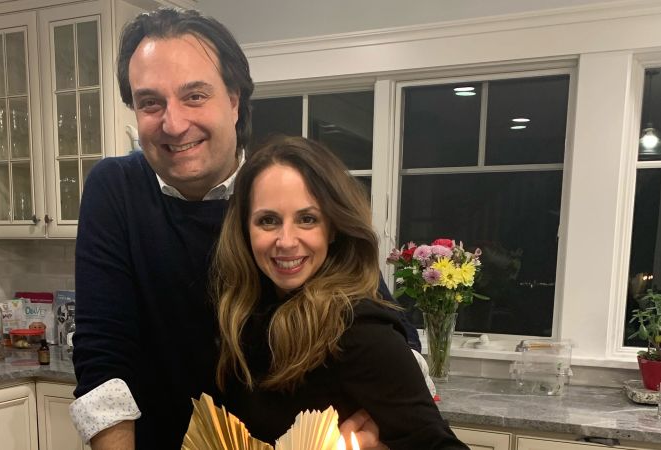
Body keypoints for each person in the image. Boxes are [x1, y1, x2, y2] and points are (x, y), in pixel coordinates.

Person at [69, 7, 419, 449]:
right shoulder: (113, 189)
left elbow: (392, 330)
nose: (173, 124)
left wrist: (374, 431)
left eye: (195, 95)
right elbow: (104, 355)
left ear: (234, 100)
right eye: (150, 102)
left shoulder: (280, 190)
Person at [212, 136, 467, 449]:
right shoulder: (243, 319)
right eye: (268, 220)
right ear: (244, 229)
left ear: (332, 227)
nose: (287, 240)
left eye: (307, 219)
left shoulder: (357, 332)